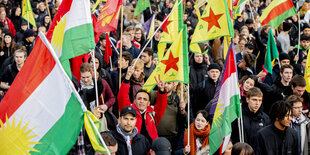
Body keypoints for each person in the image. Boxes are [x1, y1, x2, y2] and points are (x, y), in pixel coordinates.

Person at [118, 69, 167, 143]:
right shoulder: (129, 111)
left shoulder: (152, 114)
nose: (141, 101)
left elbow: (161, 105)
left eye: (145, 99)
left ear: (148, 103)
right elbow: (122, 97)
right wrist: (127, 79)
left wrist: (162, 90)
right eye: (139, 98)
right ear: (134, 100)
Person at [156, 81, 187, 151]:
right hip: (157, 136)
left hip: (172, 138)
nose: (166, 85)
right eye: (164, 83)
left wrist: (182, 111)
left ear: (174, 84)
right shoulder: (155, 95)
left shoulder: (178, 98)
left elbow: (184, 121)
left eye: (169, 83)